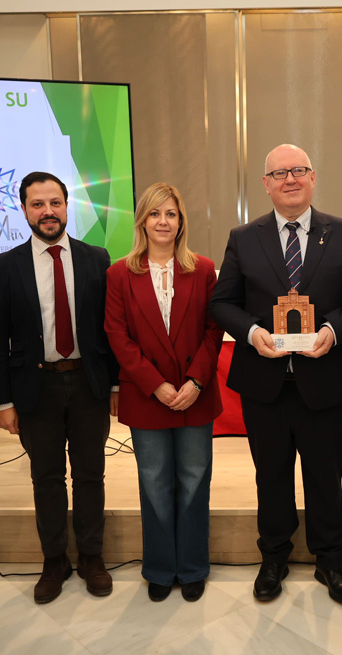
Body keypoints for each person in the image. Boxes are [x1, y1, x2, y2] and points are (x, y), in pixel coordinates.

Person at [210, 143, 342, 605]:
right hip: (264, 384)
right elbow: (222, 302)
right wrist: (251, 333)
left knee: (325, 477)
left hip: (323, 380)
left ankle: (331, 560)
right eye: (279, 173)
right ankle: (273, 558)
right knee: (271, 478)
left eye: (299, 170)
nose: (290, 179)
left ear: (313, 177)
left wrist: (334, 330)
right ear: (266, 184)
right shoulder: (243, 237)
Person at [0, 171, 119, 604]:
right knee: (46, 477)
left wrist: (116, 385)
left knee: (90, 474)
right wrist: (2, 402)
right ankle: (55, 560)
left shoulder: (97, 258)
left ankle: (92, 557)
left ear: (66, 206)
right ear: (24, 209)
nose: (48, 212)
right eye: (38, 204)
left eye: (55, 203)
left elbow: (111, 328)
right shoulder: (5, 266)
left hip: (88, 384)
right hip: (35, 386)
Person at [104, 182, 223, 603]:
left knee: (194, 481)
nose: (163, 221)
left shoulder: (203, 269)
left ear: (181, 222)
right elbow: (117, 335)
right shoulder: (119, 273)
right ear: (142, 221)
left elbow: (214, 330)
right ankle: (158, 568)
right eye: (155, 213)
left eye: (171, 214)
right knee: (154, 482)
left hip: (195, 393)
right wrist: (155, 384)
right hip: (146, 395)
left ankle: (191, 567)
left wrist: (195, 381)